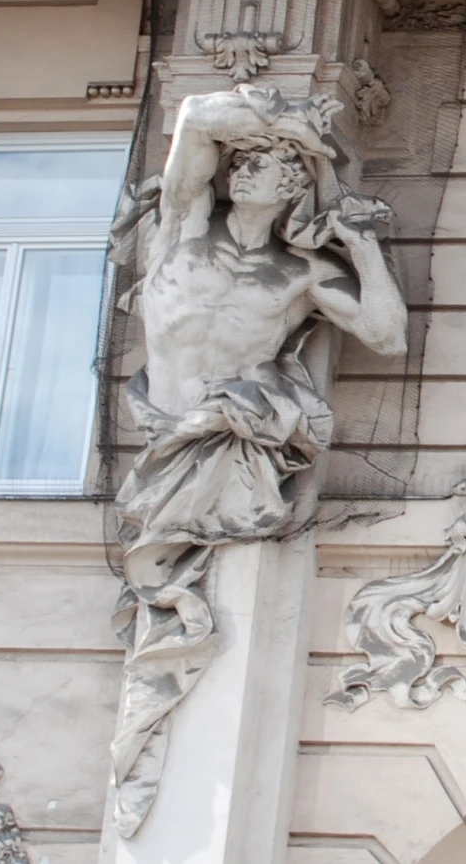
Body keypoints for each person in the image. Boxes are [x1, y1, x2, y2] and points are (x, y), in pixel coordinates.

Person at [108, 84, 406, 835]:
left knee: (201, 616)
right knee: (166, 605)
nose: (246, 170)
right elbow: (194, 122)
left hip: (231, 447)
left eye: (269, 165)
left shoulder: (298, 277)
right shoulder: (181, 231)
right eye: (243, 161)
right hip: (167, 445)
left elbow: (387, 334)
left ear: (295, 188)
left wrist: (361, 244)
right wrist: (287, 121)